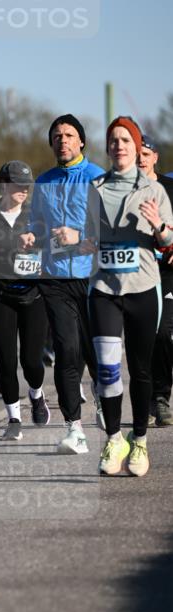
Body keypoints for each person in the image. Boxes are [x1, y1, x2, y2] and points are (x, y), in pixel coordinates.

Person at [86, 117, 173, 476]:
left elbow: (168, 244)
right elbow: (87, 238)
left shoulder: (154, 191)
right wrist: (70, 238)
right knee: (107, 371)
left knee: (140, 369)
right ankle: (113, 438)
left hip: (142, 288)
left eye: (126, 140)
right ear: (107, 147)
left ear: (137, 148)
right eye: (114, 140)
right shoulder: (95, 187)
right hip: (104, 289)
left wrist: (159, 227)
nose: (119, 145)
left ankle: (139, 440)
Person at [20, 114, 105, 454]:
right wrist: (31, 234)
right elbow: (38, 224)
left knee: (96, 351)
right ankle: (74, 429)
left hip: (92, 277)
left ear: (81, 141)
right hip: (54, 277)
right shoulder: (44, 181)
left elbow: (110, 229)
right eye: (57, 136)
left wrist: (78, 235)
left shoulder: (97, 177)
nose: (63, 141)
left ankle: (104, 400)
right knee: (66, 351)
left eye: (69, 135)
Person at [0, 161, 50, 439]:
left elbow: (53, 251)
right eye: (18, 184)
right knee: (6, 360)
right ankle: (13, 419)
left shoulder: (37, 217)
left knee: (31, 362)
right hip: (1, 296)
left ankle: (37, 394)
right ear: (3, 185)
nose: (24, 190)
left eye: (27, 185)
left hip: (34, 296)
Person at [137, 136, 173, 426]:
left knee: (161, 333)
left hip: (167, 273)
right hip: (135, 273)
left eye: (146, 153)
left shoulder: (169, 188)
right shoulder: (123, 189)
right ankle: (146, 397)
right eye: (136, 153)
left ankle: (161, 396)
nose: (140, 158)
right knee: (141, 337)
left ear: (155, 157)